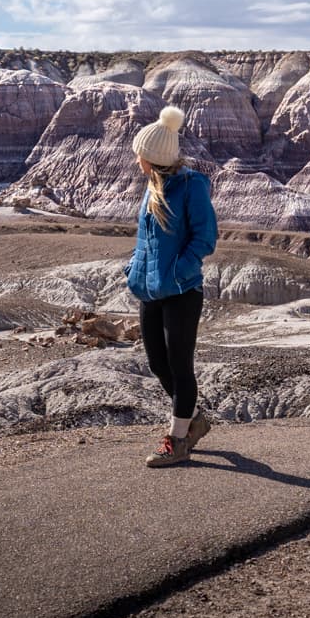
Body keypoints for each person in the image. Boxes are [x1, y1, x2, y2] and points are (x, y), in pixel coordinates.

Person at [125, 105, 219, 468]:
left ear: (151, 158)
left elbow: (205, 238)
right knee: (158, 364)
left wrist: (179, 272)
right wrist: (134, 268)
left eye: (139, 155)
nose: (136, 161)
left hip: (181, 292)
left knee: (180, 367)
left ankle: (177, 440)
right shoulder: (153, 187)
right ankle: (194, 421)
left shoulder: (190, 187)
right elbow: (145, 241)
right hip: (150, 291)